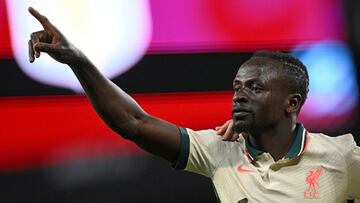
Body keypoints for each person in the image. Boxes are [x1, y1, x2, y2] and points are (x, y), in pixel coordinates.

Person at [27, 7, 359, 203]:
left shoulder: (342, 157)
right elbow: (133, 122)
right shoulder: (221, 151)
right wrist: (78, 60)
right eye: (237, 88)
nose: (240, 96)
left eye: (255, 88)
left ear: (292, 103)